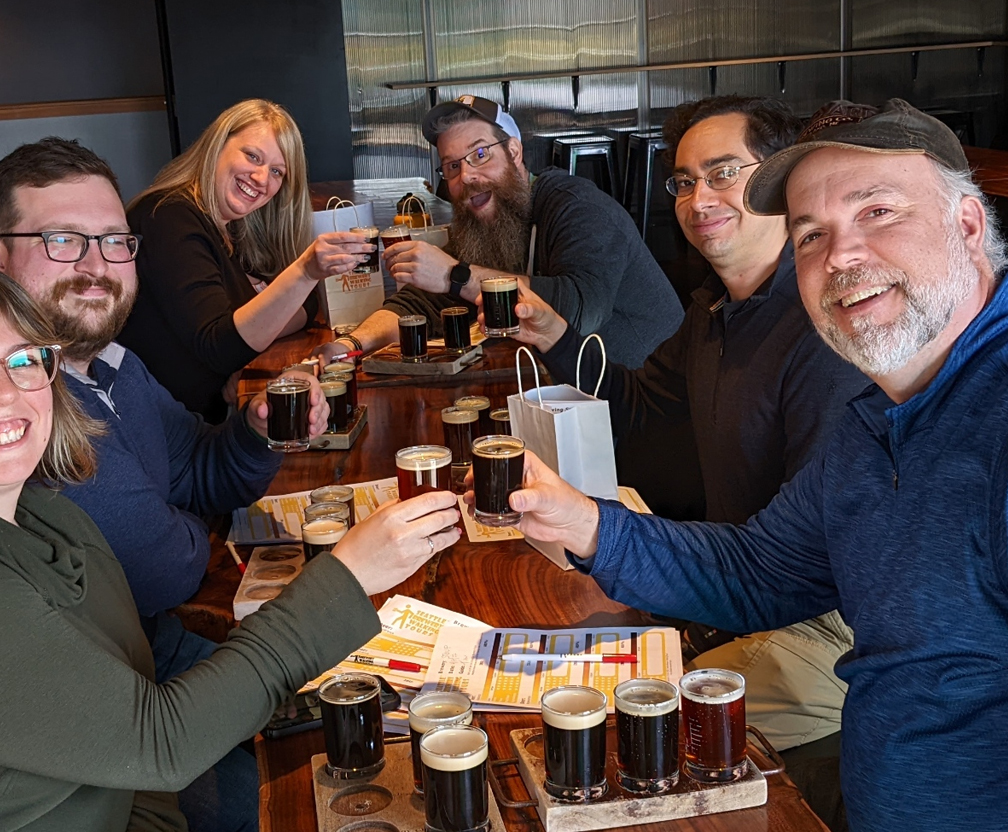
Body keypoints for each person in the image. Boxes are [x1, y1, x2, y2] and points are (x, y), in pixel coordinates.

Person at [0, 251, 462, 832]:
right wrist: (347, 574)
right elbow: (157, 741)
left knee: (349, 803)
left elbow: (131, 724)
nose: (4, 393)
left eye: (23, 360)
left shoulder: (49, 519)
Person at [493, 100, 1008, 832]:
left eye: (877, 211)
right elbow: (762, 568)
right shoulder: (880, 418)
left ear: (969, 226)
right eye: (811, 235)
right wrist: (590, 526)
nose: (843, 256)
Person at [0, 137, 316, 832]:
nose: (95, 263)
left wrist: (255, 428)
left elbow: (200, 467)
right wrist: (190, 527)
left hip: (149, 651)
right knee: (284, 807)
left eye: (112, 241)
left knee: (325, 723)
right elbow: (161, 562)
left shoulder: (111, 364)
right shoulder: (6, 401)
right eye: (61, 240)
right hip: (81, 721)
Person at [506, 96, 870, 755]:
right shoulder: (710, 312)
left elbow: (804, 565)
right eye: (683, 181)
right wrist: (559, 338)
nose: (699, 197)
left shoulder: (823, 334)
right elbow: (639, 414)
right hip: (742, 585)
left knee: (625, 726)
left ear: (783, 181)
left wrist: (611, 539)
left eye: (724, 173)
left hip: (829, 622)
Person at [314, 95, 683, 368]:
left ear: (515, 152)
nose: (467, 177)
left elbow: (580, 310)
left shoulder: (578, 206)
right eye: (452, 166)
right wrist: (351, 344)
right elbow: (421, 304)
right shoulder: (481, 221)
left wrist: (453, 274)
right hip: (565, 388)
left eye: (480, 155)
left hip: (648, 396)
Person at [122, 99, 373, 422]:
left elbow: (305, 307)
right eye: (252, 156)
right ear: (218, 144)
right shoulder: (169, 216)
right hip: (175, 430)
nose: (261, 178)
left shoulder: (231, 229)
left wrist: (253, 328)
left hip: (211, 416)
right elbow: (222, 346)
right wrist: (304, 271)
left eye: (277, 172)